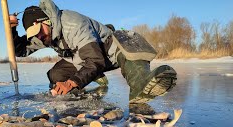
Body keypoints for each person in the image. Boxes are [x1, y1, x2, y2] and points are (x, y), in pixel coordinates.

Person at [9, 0, 177, 104]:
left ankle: (142, 84)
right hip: (81, 59)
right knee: (56, 74)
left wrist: (71, 82)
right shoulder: (45, 34)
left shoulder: (73, 24)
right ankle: (79, 92)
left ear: (47, 21)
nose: (39, 36)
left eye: (39, 30)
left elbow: (95, 60)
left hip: (109, 52)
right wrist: (12, 31)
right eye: (34, 34)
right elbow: (20, 50)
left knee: (129, 55)